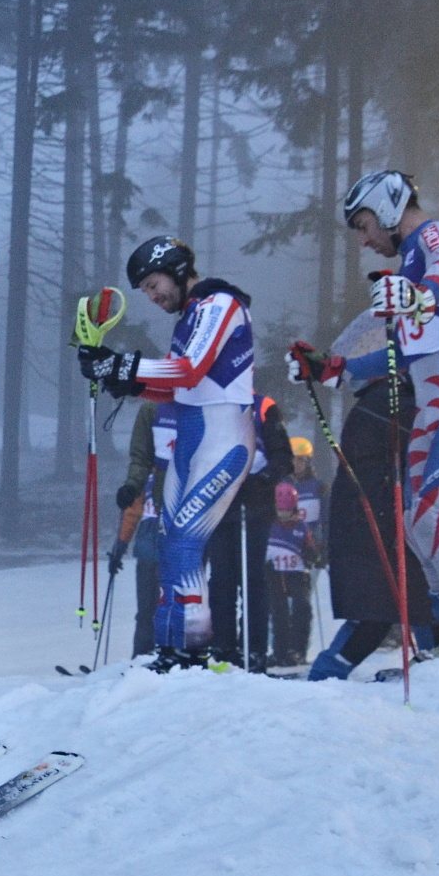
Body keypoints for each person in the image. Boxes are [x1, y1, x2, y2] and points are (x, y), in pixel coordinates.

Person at [290, 170, 439, 668]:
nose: (364, 239)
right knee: (418, 526)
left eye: (364, 224)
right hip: (437, 408)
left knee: (434, 523)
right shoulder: (408, 273)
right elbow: (400, 354)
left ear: (388, 207)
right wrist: (333, 368)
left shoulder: (435, 236)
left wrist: (420, 296)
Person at [79, 236, 255, 672]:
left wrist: (121, 365)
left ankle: (192, 653)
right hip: (190, 438)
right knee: (168, 542)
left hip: (223, 438)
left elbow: (189, 370)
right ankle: (171, 649)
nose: (153, 296)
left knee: (186, 540)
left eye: (153, 285)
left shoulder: (219, 303)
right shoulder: (190, 317)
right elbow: (176, 388)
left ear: (176, 269)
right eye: (145, 291)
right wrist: (124, 380)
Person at [304, 372, 436, 680]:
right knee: (377, 613)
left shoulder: (386, 401)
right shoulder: (392, 404)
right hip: (374, 520)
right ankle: (325, 674)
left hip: (379, 518)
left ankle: (436, 665)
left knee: (416, 604)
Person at [207, 393, 293, 671]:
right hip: (219, 501)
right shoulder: (211, 402)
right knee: (221, 579)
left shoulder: (263, 405)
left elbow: (283, 455)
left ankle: (254, 649)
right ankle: (222, 646)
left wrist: (264, 479)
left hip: (254, 502)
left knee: (252, 578)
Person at [111, 400, 176, 659]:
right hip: (148, 545)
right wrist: (120, 546)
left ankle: (168, 653)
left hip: (172, 543)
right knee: (147, 608)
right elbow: (132, 513)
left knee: (169, 605)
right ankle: (141, 657)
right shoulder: (145, 479)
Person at [266, 478, 320, 668]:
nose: (283, 515)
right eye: (280, 511)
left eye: (287, 511)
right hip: (274, 573)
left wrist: (312, 555)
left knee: (302, 609)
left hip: (297, 573)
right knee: (279, 613)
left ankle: (298, 651)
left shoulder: (301, 527)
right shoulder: (269, 525)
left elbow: (311, 549)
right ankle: (279, 652)